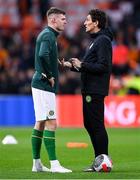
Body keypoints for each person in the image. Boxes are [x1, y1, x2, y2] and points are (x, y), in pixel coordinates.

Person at [62, 9, 113, 172]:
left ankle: (103, 160)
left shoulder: (103, 40)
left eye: (88, 20)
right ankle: (100, 160)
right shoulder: (96, 40)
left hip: (95, 89)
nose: (84, 22)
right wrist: (74, 66)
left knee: (96, 125)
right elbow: (91, 66)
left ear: (96, 23)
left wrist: (82, 64)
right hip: (90, 89)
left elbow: (103, 66)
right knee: (90, 124)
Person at [31, 7, 72, 173]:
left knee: (40, 123)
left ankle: (37, 164)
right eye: (63, 19)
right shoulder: (48, 35)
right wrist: (49, 75)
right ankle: (54, 164)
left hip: (39, 84)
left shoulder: (47, 35)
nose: (65, 21)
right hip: (43, 84)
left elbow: (45, 54)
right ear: (53, 20)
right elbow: (42, 55)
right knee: (51, 122)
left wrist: (56, 62)